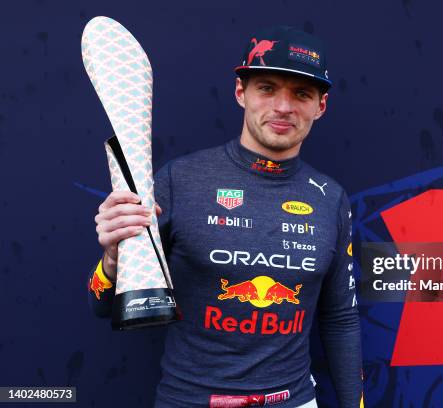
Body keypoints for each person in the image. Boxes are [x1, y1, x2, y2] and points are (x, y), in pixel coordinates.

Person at [88, 25, 363, 408]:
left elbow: (339, 320)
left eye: (301, 93)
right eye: (266, 88)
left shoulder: (331, 199)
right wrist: (113, 261)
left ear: (321, 106)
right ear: (241, 93)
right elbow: (101, 305)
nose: (283, 107)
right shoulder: (178, 180)